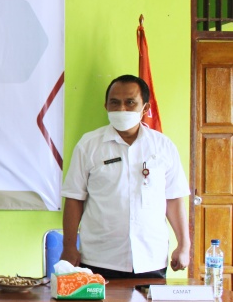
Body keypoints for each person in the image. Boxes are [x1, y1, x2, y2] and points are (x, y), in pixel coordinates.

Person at [60, 75, 190, 279]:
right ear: (106, 106)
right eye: (115, 102)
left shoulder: (163, 146)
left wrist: (184, 245)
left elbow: (173, 199)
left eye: (130, 102)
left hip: (151, 258)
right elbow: (74, 198)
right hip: (99, 258)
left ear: (145, 108)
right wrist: (69, 247)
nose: (121, 109)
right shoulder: (89, 145)